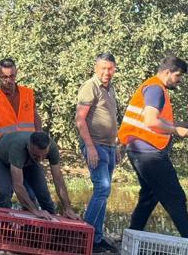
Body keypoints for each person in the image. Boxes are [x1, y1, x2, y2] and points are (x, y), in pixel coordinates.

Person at [118, 56, 188, 239]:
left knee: (150, 196)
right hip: (148, 152)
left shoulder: (152, 87)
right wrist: (175, 131)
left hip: (138, 149)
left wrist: (183, 124)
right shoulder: (156, 89)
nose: (180, 81)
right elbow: (151, 121)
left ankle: (131, 236)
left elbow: (155, 120)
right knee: (175, 197)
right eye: (178, 76)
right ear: (167, 72)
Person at [74, 52, 120, 252]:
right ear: (96, 68)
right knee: (102, 188)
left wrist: (116, 145)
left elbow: (112, 118)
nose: (106, 72)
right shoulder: (90, 87)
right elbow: (80, 119)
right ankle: (83, 238)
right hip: (96, 145)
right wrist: (90, 147)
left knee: (104, 192)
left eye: (110, 68)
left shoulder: (110, 89)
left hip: (109, 146)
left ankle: (97, 238)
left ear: (115, 69)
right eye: (103, 68)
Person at [0, 131, 80, 221]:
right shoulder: (18, 148)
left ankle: (52, 227)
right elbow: (18, 186)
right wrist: (35, 210)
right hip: (1, 159)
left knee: (43, 193)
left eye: (44, 156)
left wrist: (68, 208)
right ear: (29, 146)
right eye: (36, 156)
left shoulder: (52, 147)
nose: (40, 159)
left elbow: (58, 180)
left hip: (28, 161)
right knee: (4, 192)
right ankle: (5, 228)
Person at [0, 58, 42, 155]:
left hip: (29, 148)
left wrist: (40, 139)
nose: (9, 80)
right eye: (4, 77)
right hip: (5, 150)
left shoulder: (28, 93)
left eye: (12, 76)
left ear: (16, 73)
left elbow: (35, 116)